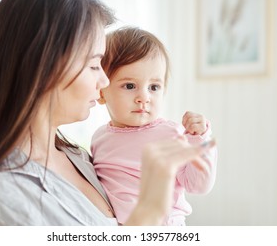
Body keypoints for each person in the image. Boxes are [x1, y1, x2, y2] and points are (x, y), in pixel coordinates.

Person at [0, 0, 215, 226]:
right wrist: (149, 210)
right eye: (93, 65)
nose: (103, 81)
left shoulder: (79, 157)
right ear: (44, 68)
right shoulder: (1, 197)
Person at [91, 27, 218, 225]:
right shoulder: (99, 138)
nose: (144, 97)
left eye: (154, 87)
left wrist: (199, 139)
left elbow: (198, 185)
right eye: (130, 86)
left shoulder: (170, 134)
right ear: (101, 92)